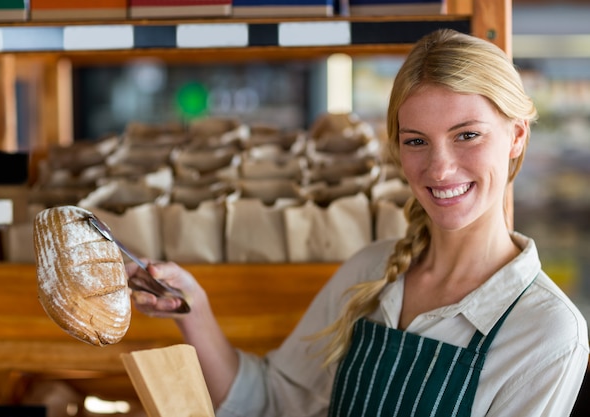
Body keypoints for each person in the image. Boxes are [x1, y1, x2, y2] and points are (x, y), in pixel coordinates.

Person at [127, 28, 589, 416]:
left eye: (467, 135)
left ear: (516, 135)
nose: (440, 168)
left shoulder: (546, 332)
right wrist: (195, 309)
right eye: (416, 141)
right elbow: (269, 402)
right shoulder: (372, 270)